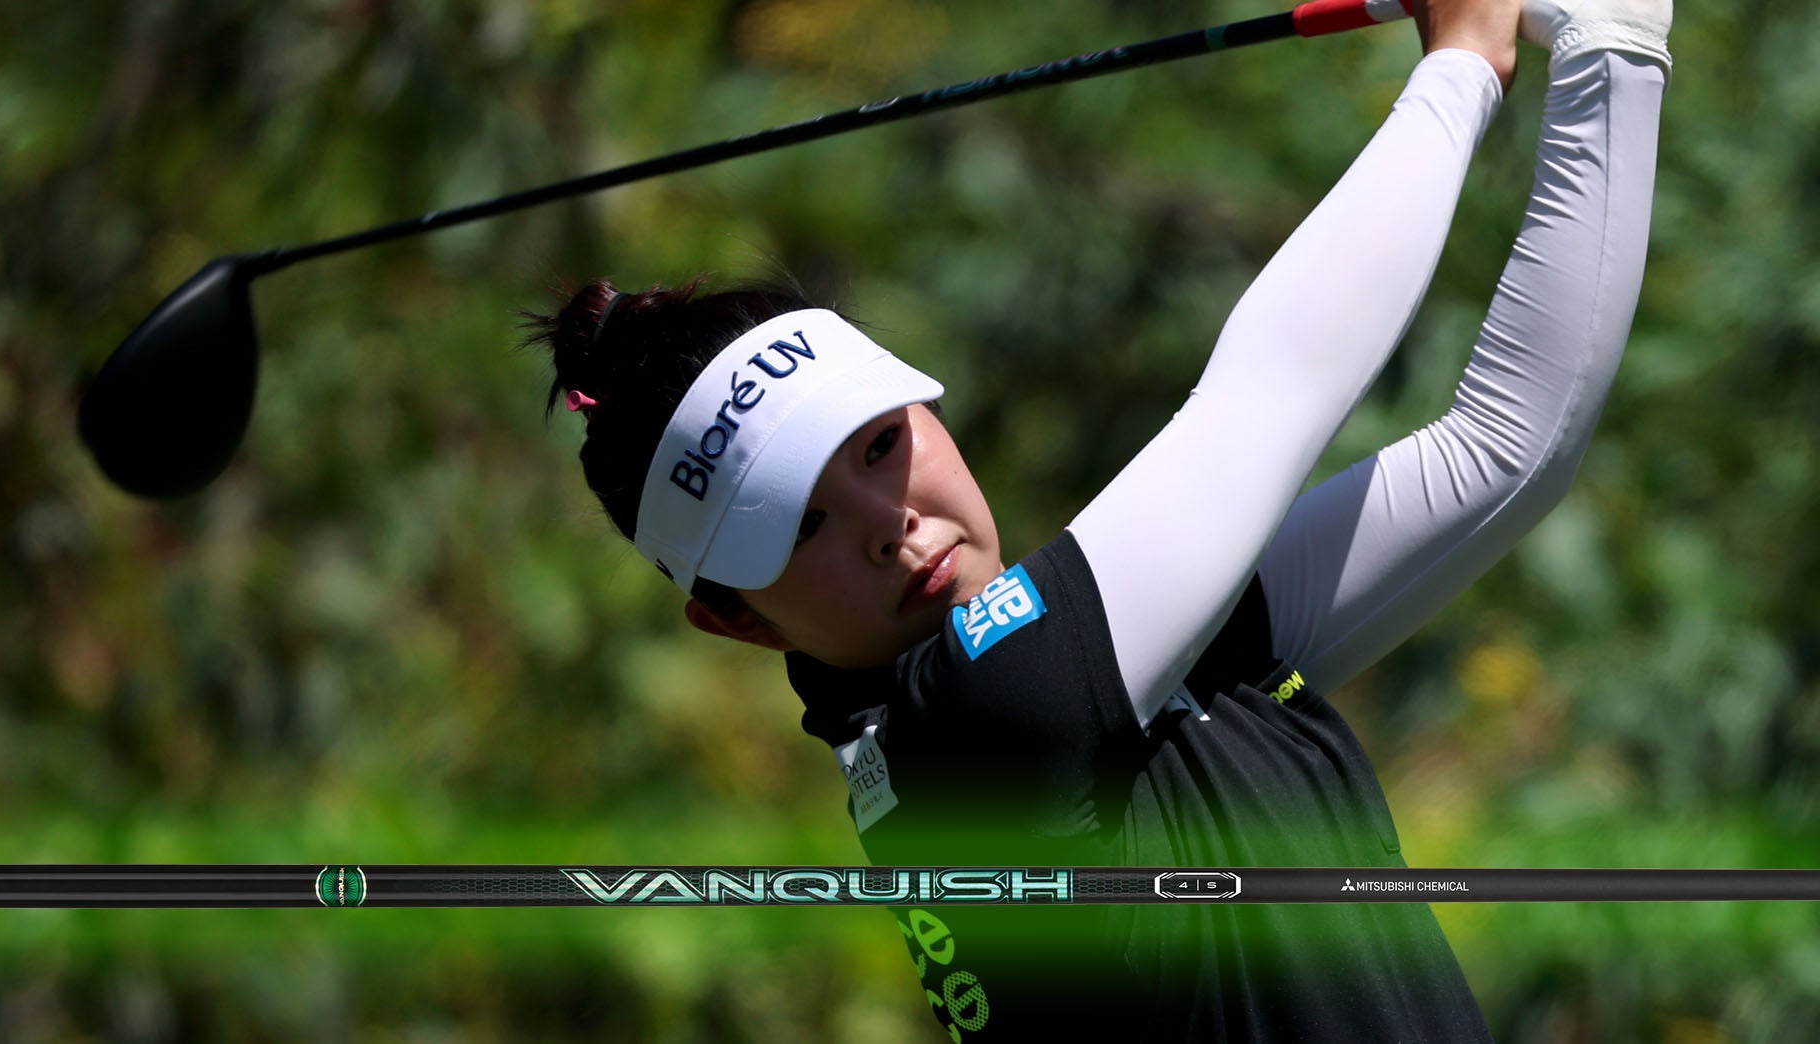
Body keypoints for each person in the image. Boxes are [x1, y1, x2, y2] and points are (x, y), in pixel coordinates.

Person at [525, 0, 1671, 1035]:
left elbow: (1506, 448)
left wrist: (1611, 47)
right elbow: (1273, 389)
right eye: (799, 527)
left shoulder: (1098, 680)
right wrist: (1461, 64)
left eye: (881, 445)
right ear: (735, 623)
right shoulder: (975, 732)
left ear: (929, 408)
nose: (890, 523)